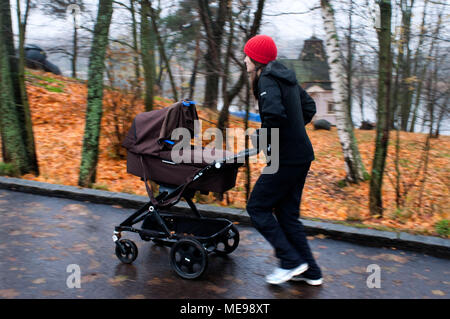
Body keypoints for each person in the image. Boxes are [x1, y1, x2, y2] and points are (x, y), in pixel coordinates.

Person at [244, 34, 323, 285]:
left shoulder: (267, 78)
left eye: (247, 55)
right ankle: (311, 271)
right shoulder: (285, 77)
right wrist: (295, 130)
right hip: (300, 155)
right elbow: (309, 107)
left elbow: (274, 115)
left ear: (257, 60)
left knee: (257, 207)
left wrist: (265, 140)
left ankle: (290, 261)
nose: (245, 59)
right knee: (287, 215)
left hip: (286, 157)